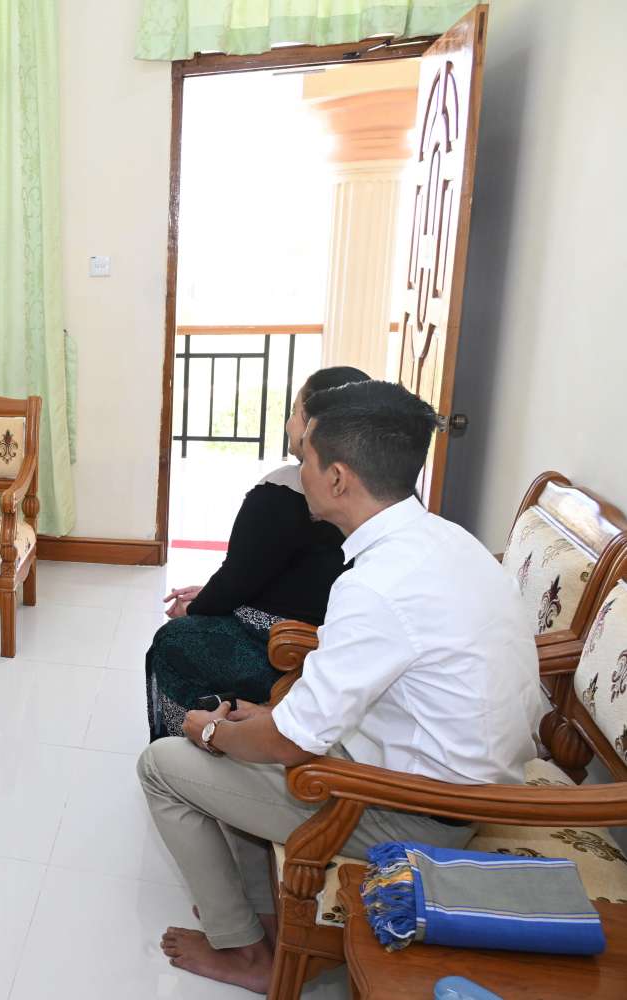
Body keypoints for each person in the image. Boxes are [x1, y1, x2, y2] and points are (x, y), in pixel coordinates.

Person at [136, 380, 545, 993]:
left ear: (336, 478)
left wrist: (212, 731)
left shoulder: (376, 585)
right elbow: (340, 696)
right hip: (445, 778)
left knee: (164, 765)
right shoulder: (448, 541)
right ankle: (263, 917)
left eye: (305, 456)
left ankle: (245, 953)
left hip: (416, 809)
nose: (296, 470)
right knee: (246, 733)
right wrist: (258, 721)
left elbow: (290, 744)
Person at [146, 366, 370, 740]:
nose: (288, 423)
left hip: (286, 645)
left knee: (173, 641)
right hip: (331, 639)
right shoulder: (379, 494)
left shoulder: (284, 492)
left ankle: (189, 745)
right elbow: (266, 573)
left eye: (295, 412)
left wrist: (197, 607)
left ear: (315, 428)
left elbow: (237, 578)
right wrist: (211, 594)